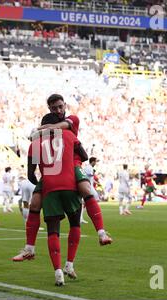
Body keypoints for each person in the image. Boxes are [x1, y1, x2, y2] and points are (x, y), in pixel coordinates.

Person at [12, 94, 112, 262]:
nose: (58, 110)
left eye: (60, 106)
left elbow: (65, 130)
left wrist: (41, 130)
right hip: (52, 170)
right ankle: (30, 248)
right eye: (54, 108)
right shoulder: (44, 136)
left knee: (87, 190)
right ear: (49, 109)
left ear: (65, 105)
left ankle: (101, 232)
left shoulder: (72, 120)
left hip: (72, 165)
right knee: (35, 203)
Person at [26, 113, 85, 286]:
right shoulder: (68, 135)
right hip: (69, 183)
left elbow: (30, 174)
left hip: (49, 187)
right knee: (75, 223)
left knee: (53, 230)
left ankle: (58, 272)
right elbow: (84, 155)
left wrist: (41, 185)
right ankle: (70, 263)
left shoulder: (36, 143)